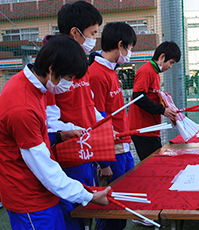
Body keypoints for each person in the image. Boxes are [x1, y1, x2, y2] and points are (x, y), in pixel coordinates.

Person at [0, 35, 111, 230]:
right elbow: (43, 166)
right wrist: (88, 196)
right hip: (29, 198)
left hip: (42, 191)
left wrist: (59, 135)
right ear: (51, 69)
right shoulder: (22, 107)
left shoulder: (36, 86)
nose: (70, 84)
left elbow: (33, 138)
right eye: (69, 78)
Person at [44, 2, 110, 229]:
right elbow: (50, 119)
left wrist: (103, 125)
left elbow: (88, 104)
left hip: (86, 146)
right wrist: (72, 131)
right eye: (93, 33)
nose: (95, 40)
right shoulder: (54, 66)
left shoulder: (80, 63)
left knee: (86, 208)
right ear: (75, 32)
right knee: (72, 210)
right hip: (68, 150)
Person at [88, 21, 137, 230]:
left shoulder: (111, 69)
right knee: (111, 210)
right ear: (120, 45)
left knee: (123, 206)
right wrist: (104, 161)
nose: (130, 52)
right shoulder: (96, 74)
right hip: (112, 151)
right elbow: (95, 121)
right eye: (131, 47)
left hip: (123, 146)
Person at [128, 41, 181, 161]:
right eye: (171, 62)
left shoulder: (155, 72)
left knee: (157, 161)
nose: (170, 66)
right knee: (153, 164)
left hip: (151, 128)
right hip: (143, 129)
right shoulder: (146, 70)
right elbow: (138, 98)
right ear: (162, 57)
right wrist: (163, 110)